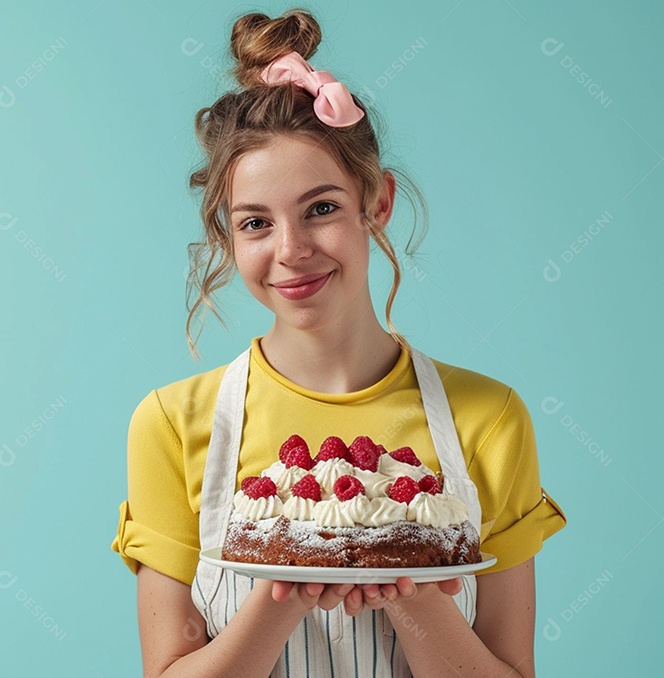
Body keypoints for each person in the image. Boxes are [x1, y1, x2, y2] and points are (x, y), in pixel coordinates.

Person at [110, 8, 567, 678]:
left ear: (375, 204)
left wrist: (406, 585)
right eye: (256, 223)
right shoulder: (172, 427)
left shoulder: (488, 419)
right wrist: (284, 590)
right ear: (228, 238)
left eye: (320, 208)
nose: (291, 251)